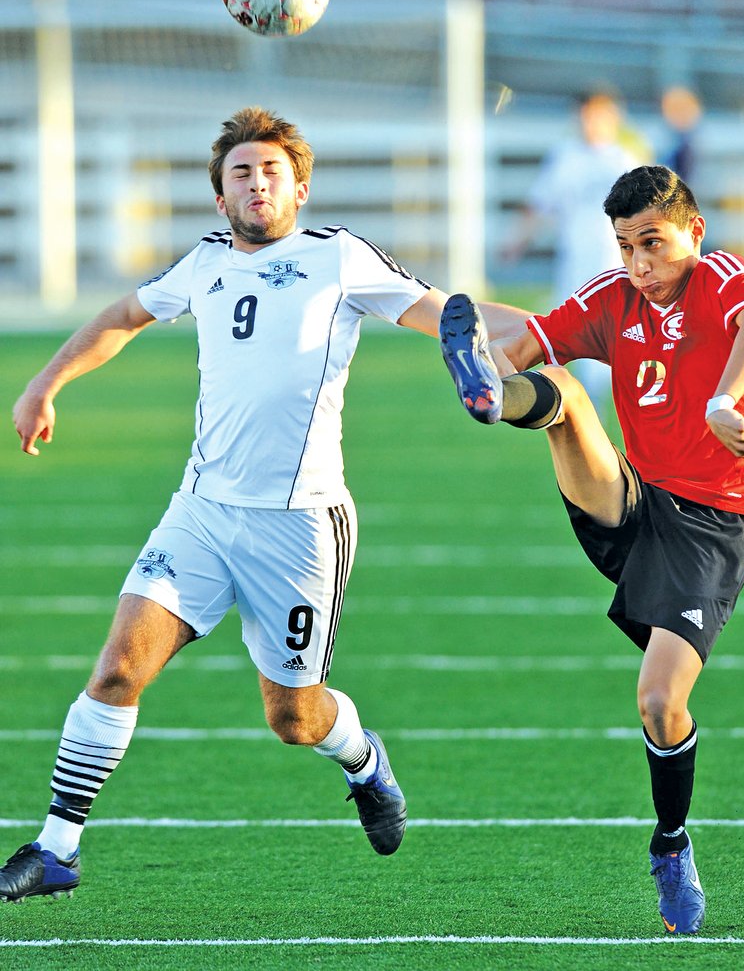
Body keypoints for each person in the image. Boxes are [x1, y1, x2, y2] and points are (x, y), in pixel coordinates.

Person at [1, 106, 528, 903]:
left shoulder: (339, 257)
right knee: (116, 670)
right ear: (220, 199)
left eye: (271, 170)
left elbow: (449, 316)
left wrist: (575, 336)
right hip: (203, 511)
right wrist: (46, 383)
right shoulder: (205, 261)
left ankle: (362, 759)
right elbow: (123, 316)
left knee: (293, 717)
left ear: (301, 186)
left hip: (301, 526)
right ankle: (57, 846)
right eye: (240, 173)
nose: (256, 182)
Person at [440, 165, 744, 935]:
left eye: (653, 243)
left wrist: (724, 401)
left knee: (661, 702)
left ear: (693, 233)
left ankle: (671, 842)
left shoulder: (722, 277)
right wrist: (491, 359)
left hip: (712, 527)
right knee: (558, 389)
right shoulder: (612, 297)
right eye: (626, 246)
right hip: (633, 502)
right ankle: (494, 401)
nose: (638, 263)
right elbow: (530, 338)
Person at [500, 91, 647, 415]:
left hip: (615, 262)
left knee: (617, 333)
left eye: (596, 115)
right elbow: (539, 204)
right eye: (584, 115)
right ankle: (566, 405)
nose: (589, 123)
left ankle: (610, 406)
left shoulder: (625, 160)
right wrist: (516, 242)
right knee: (564, 331)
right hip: (574, 262)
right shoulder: (565, 157)